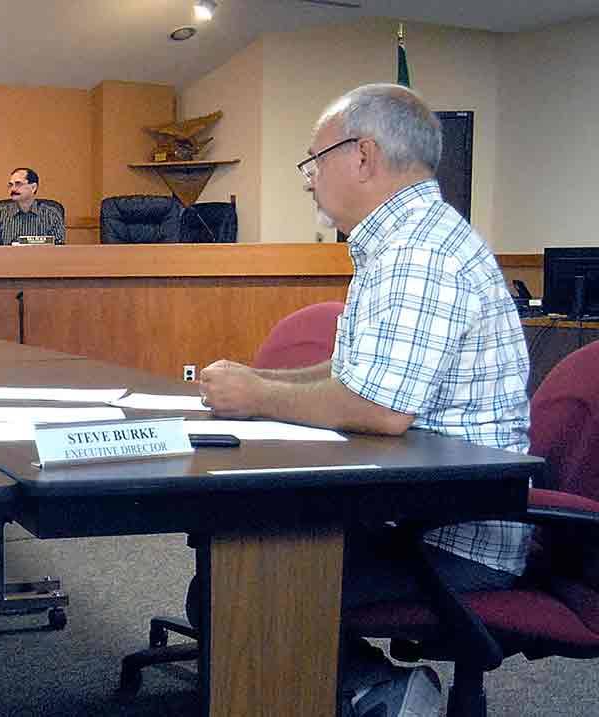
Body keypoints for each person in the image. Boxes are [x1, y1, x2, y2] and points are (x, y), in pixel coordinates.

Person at [196, 84, 531, 717]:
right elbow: (362, 373)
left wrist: (258, 396)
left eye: (314, 160)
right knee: (229, 565)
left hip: (448, 537)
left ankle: (387, 695)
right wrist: (266, 381)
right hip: (413, 507)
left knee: (232, 584)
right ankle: (347, 689)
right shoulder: (403, 240)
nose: (308, 179)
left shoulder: (416, 252)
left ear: (364, 157)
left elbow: (379, 409)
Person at [0, 167, 65, 245]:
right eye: (11, 185)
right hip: (7, 260)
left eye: (18, 184)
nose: (13, 189)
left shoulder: (52, 216)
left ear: (33, 187)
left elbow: (59, 251)